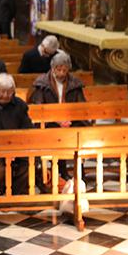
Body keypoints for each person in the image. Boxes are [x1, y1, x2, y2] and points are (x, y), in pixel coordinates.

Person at [31, 52, 85, 181]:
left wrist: (70, 119)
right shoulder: (42, 83)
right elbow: (39, 108)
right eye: (58, 69)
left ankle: (80, 172)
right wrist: (57, 120)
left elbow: (81, 106)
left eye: (64, 70)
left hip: (71, 120)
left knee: (80, 133)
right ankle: (61, 171)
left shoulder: (75, 83)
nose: (61, 73)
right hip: (49, 121)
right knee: (57, 135)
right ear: (52, 68)